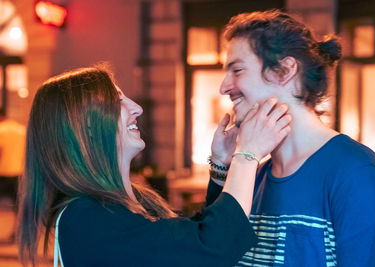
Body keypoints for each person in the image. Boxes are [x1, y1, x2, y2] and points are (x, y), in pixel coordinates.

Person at [17, 65, 292, 267]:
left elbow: (190, 242)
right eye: (117, 102)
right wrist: (248, 154)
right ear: (85, 127)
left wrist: (221, 165)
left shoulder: (132, 203)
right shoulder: (85, 219)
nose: (136, 108)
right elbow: (210, 251)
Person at [207, 9, 375, 266]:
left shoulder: (357, 173)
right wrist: (222, 166)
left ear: (285, 70)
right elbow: (211, 251)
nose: (224, 87)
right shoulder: (251, 176)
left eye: (237, 70)